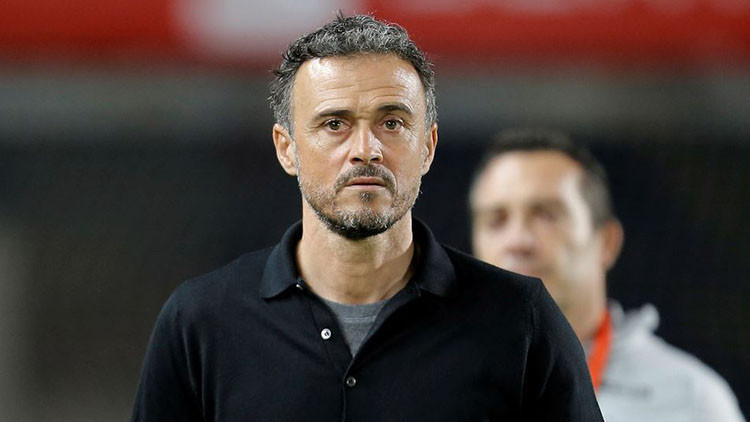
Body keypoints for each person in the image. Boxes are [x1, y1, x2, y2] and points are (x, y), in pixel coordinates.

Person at [131, 15, 603, 421]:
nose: (366, 149)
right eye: (335, 124)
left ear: (428, 147)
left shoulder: (520, 322)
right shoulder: (201, 322)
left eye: (391, 123)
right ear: (286, 149)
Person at [470, 128, 745, 422]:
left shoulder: (689, 400)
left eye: (547, 215)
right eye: (496, 220)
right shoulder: (438, 378)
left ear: (607, 242)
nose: (517, 241)